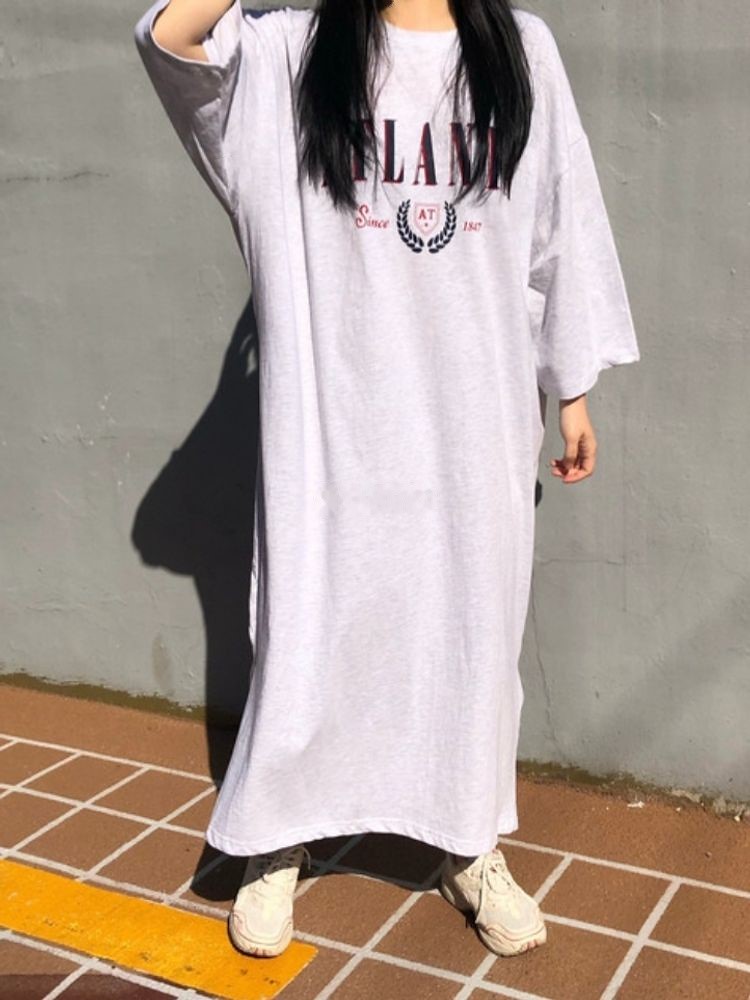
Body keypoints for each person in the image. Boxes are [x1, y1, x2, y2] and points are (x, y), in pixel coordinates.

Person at [133, 0, 640, 961]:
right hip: (332, 428)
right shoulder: (291, 52)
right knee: (312, 625)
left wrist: (572, 386)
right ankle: (279, 832)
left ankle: (468, 840)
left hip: (474, 424)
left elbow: (558, 224)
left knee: (471, 634)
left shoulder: (520, 50)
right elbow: (172, 40)